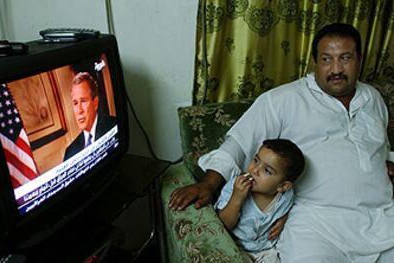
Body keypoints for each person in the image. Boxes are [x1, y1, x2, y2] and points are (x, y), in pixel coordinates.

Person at [169, 22, 394, 262]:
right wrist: (207, 185)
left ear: (360, 59)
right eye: (327, 59)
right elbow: (238, 144)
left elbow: (375, 146)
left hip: (382, 217)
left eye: (345, 58)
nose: (336, 69)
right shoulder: (283, 100)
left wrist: (385, 162)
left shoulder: (373, 98)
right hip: (317, 225)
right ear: (314, 62)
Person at [216, 139, 304, 262]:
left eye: (267, 171)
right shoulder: (234, 186)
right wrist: (236, 198)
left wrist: (283, 219)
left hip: (264, 249)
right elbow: (223, 226)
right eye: (256, 160)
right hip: (235, 246)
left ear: (282, 186)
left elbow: (285, 208)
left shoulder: (285, 196)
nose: (254, 170)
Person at [64, 72, 116, 161]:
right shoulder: (70, 152)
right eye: (75, 103)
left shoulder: (114, 126)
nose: (79, 110)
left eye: (83, 101)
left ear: (95, 103)